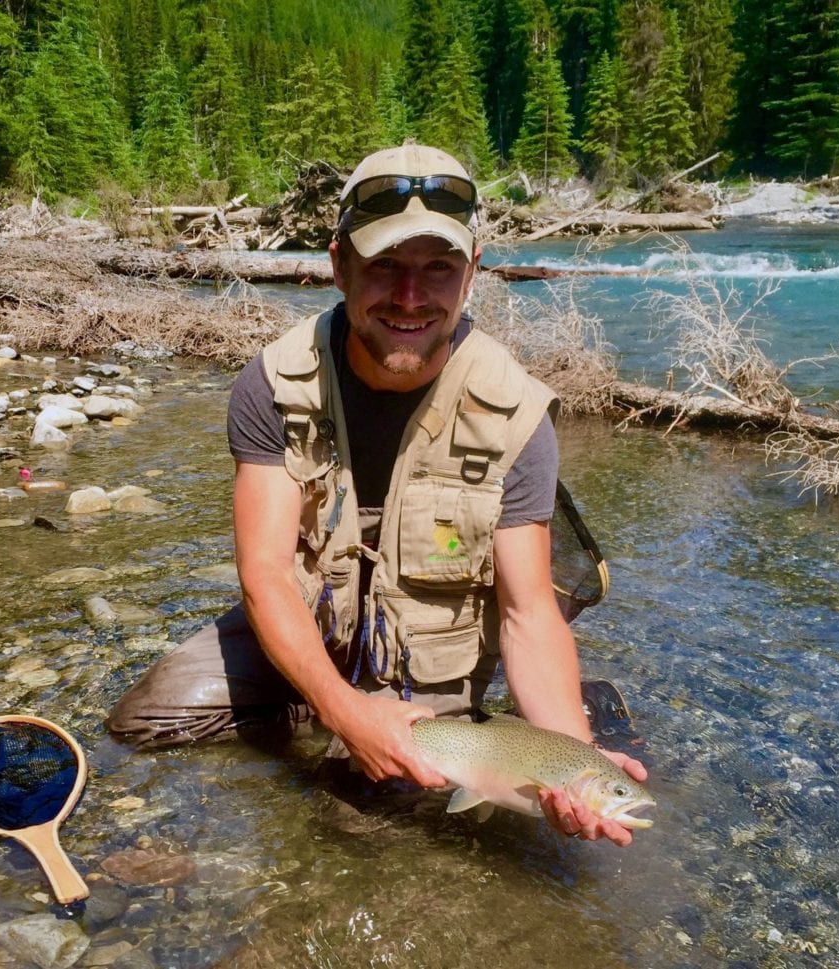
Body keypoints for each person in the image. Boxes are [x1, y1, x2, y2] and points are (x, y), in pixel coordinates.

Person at [106, 143, 647, 845]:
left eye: (437, 269)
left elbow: (526, 612)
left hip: (429, 653)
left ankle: (566, 712)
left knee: (376, 822)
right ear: (339, 265)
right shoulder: (274, 385)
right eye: (385, 265)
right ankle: (316, 707)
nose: (410, 297)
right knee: (140, 720)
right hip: (315, 629)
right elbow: (265, 571)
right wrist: (341, 710)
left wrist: (571, 754)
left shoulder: (517, 415)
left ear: (472, 273)